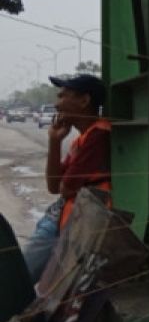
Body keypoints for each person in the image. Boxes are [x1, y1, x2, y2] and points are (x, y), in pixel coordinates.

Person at [22, 74, 111, 282]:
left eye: (63, 96)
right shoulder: (83, 138)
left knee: (19, 277)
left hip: (75, 221)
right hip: (65, 218)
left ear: (84, 100)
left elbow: (66, 188)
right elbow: (54, 186)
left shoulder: (99, 135)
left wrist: (65, 185)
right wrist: (54, 141)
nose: (56, 103)